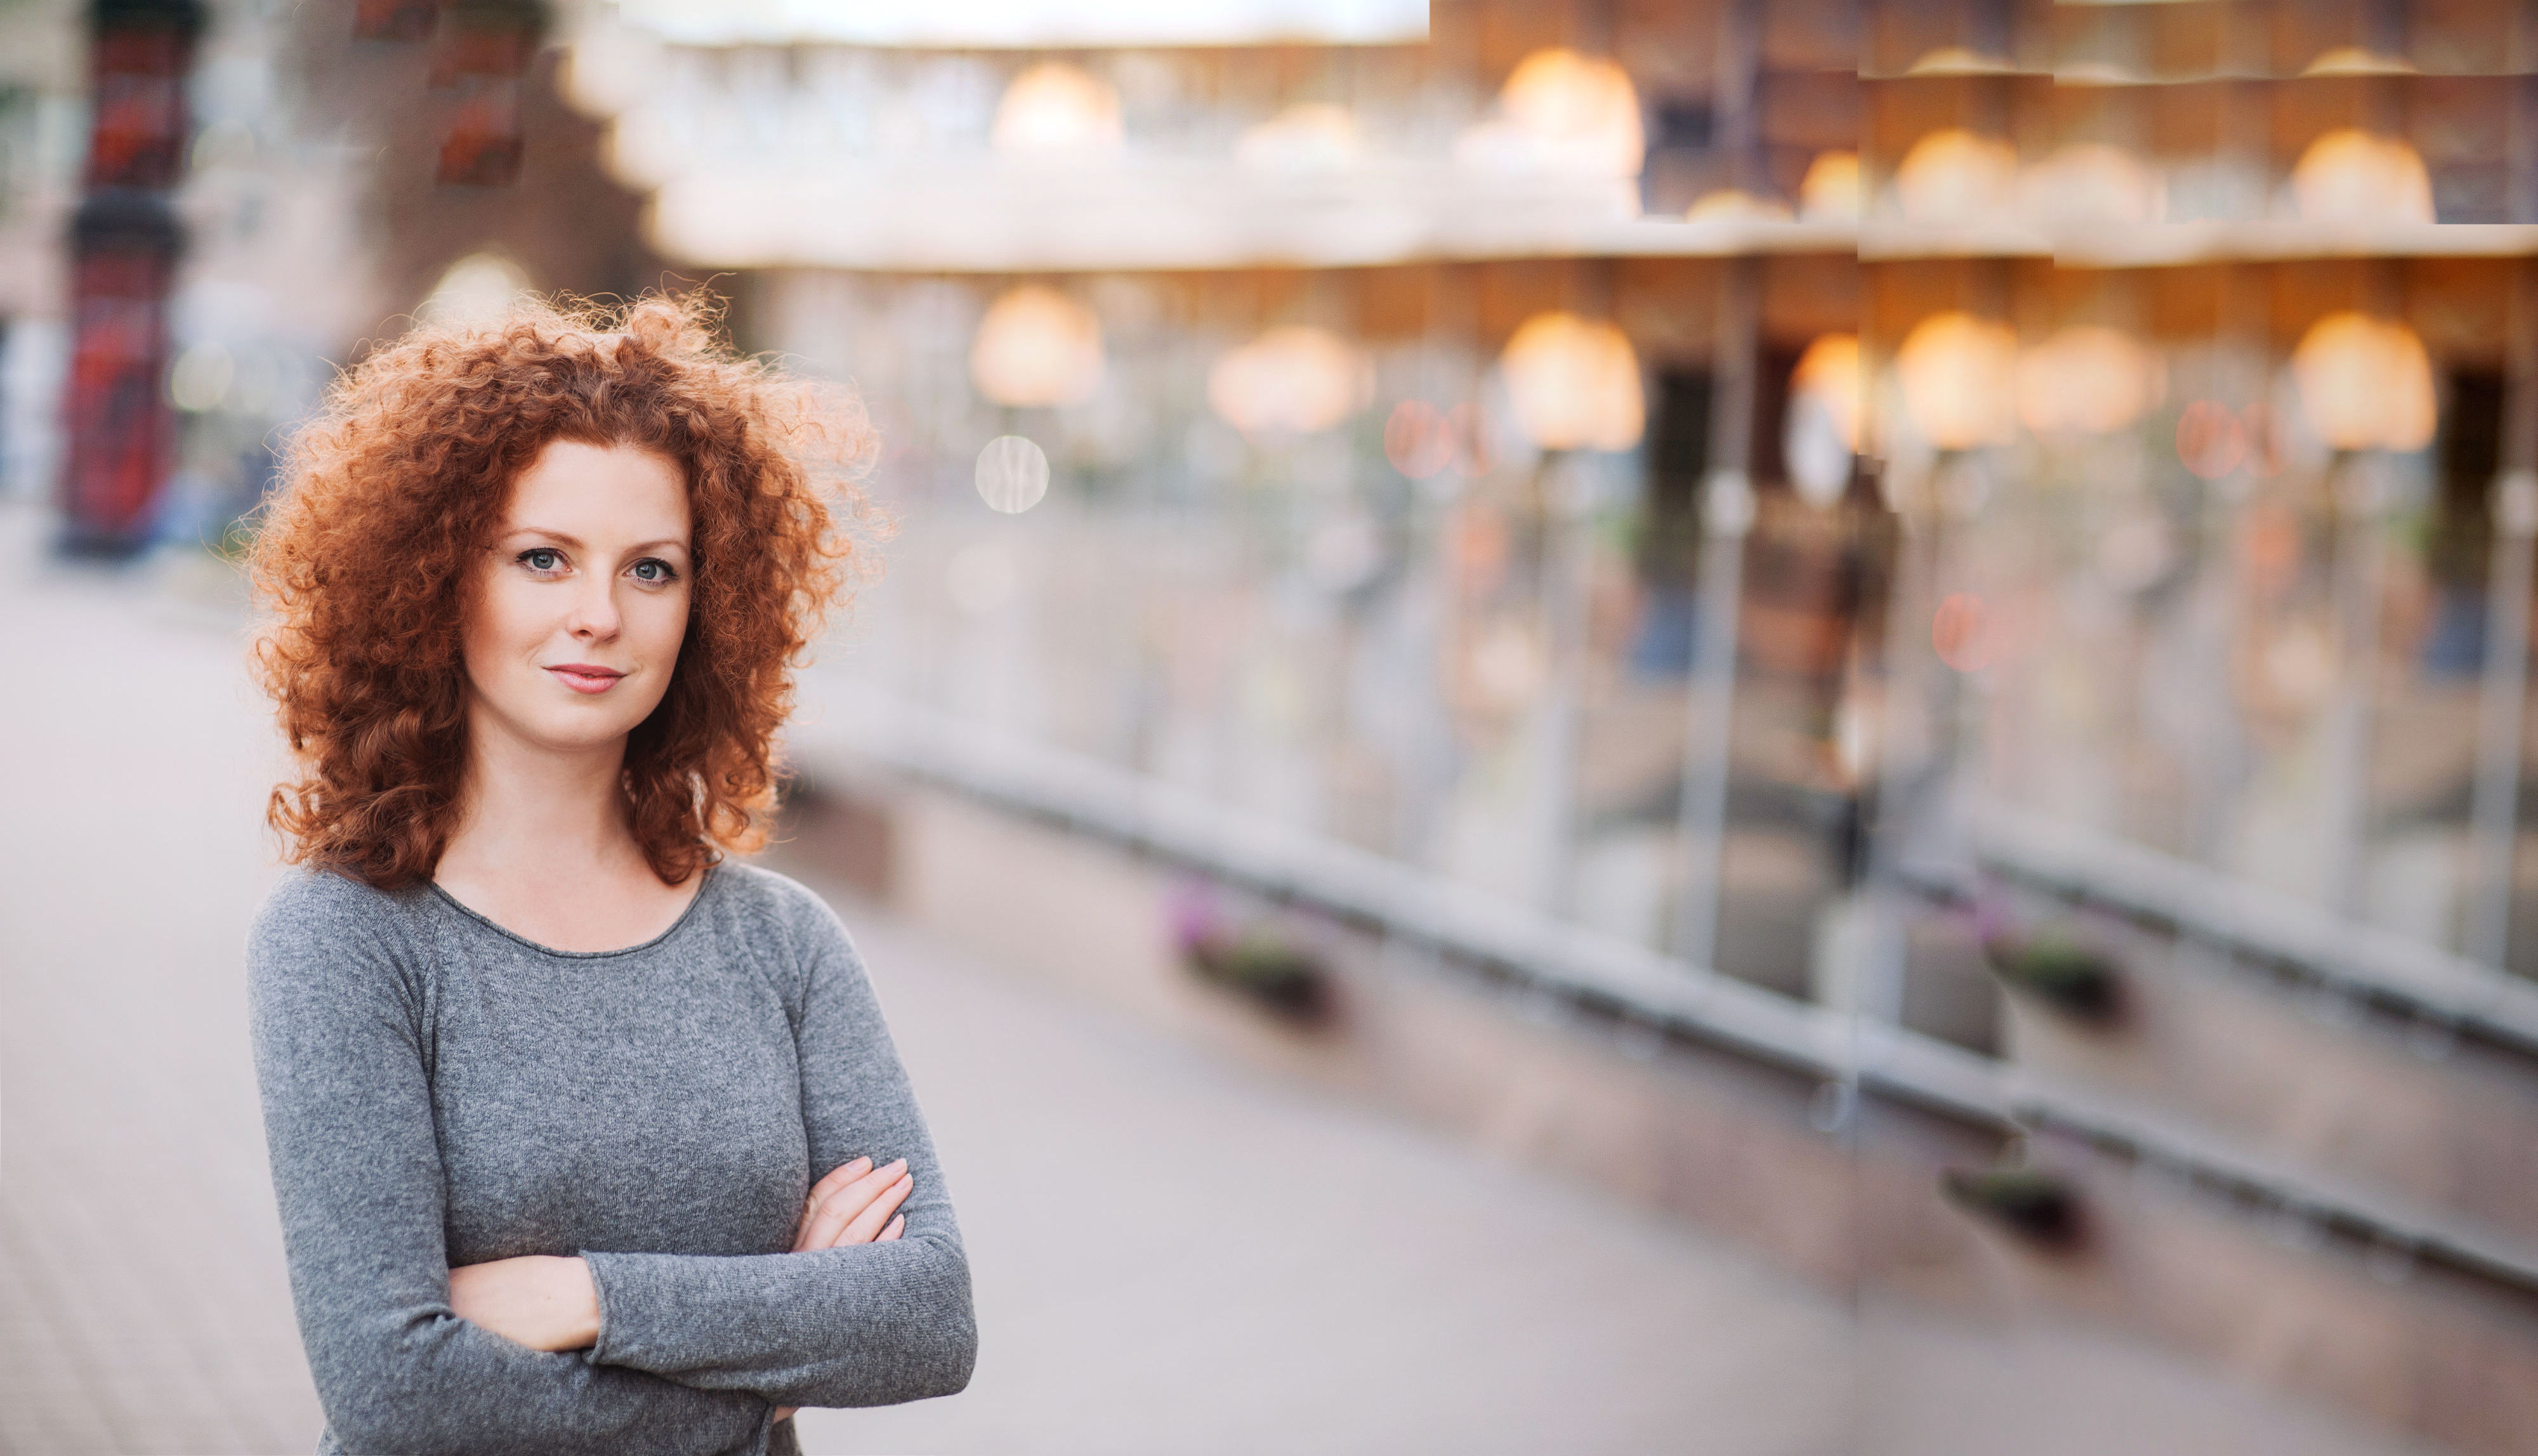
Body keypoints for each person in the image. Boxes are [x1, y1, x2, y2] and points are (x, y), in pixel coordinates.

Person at [242, 294, 975, 1456]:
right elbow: (394, 1390)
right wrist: (770, 1373)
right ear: (436, 580)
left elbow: (928, 1319)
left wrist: (586, 1297)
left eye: (652, 570)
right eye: (543, 559)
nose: (599, 616)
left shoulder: (780, 943)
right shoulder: (349, 940)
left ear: (707, 603)